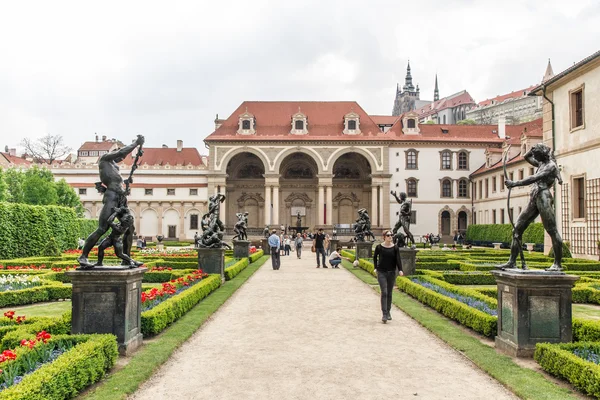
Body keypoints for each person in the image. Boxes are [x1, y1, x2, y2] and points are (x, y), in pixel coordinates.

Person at [77, 135, 144, 267]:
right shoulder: (105, 159)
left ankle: (126, 259)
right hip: (112, 197)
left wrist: (125, 187)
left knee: (130, 227)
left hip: (120, 198)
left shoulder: (115, 168)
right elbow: (121, 152)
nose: (122, 158)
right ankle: (83, 256)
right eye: (120, 156)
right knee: (102, 228)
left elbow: (120, 162)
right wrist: (136, 143)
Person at [501, 143, 564, 270]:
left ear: (542, 154)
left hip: (543, 197)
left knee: (552, 230)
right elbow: (526, 156)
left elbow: (534, 178)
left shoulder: (551, 166)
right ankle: (512, 262)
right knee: (517, 229)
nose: (534, 157)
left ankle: (557, 264)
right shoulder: (541, 163)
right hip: (534, 197)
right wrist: (533, 148)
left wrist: (514, 183)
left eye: (536, 154)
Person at [373, 230, 403, 323]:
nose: (390, 237)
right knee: (384, 292)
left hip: (391, 272)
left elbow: (398, 259)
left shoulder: (395, 248)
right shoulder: (379, 247)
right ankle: (384, 314)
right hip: (381, 272)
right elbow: (375, 257)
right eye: (388, 235)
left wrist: (400, 269)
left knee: (389, 293)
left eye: (391, 235)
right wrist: (375, 267)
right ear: (384, 237)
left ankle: (388, 312)